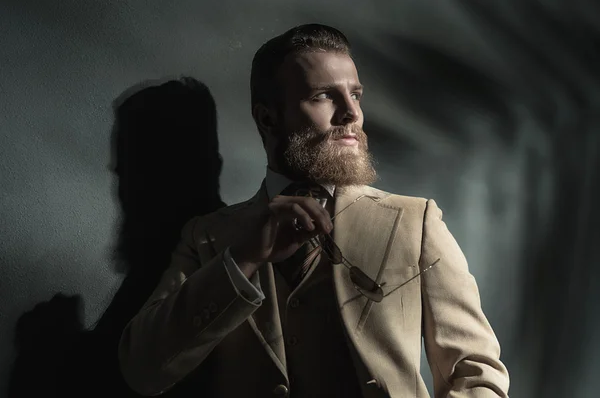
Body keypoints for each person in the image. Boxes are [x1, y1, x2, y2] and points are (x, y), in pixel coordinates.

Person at [118, 24, 510, 397]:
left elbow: (476, 369)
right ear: (267, 118)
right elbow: (143, 371)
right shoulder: (208, 236)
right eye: (323, 95)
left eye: (355, 94)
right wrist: (244, 259)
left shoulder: (414, 221)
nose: (351, 113)